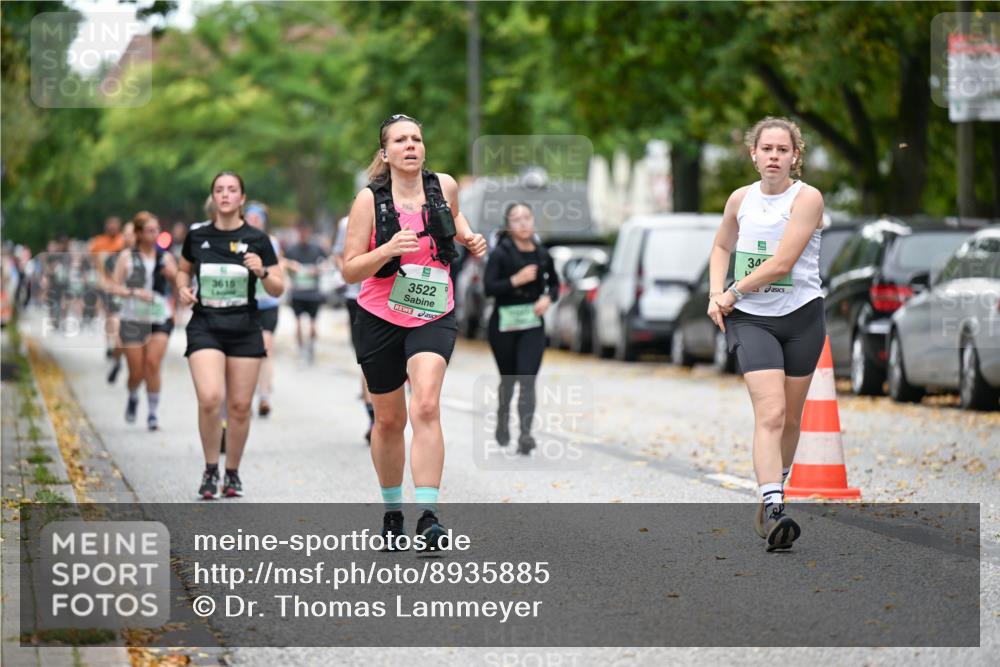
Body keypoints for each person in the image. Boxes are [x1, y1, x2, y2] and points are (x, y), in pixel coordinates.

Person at [341, 113, 486, 550]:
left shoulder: (444, 186)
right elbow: (350, 269)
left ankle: (428, 517)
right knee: (389, 420)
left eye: (416, 139)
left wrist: (468, 236)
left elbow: (454, 217)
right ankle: (392, 512)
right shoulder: (369, 201)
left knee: (425, 405)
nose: (410, 146)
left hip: (432, 311)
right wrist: (386, 249)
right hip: (380, 316)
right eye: (401, 140)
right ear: (385, 153)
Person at [706, 116, 826, 552]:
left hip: (801, 316)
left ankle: (772, 488)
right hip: (752, 319)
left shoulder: (807, 198)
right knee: (771, 413)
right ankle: (775, 507)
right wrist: (715, 292)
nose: (774, 156)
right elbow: (722, 246)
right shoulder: (740, 199)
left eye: (783, 149)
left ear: (795, 156)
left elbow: (782, 264)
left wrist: (731, 291)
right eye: (767, 148)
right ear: (753, 154)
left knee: (791, 418)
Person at [176, 172, 284, 500]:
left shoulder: (257, 239)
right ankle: (211, 469)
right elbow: (183, 270)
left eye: (232, 190)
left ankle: (232, 472)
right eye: (219, 190)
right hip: (205, 325)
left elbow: (278, 287)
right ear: (213, 197)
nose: (225, 195)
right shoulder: (197, 236)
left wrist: (262, 271)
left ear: (241, 198)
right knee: (211, 398)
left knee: (238, 406)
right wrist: (182, 288)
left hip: (244, 328)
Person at [483, 203, 559, 455]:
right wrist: (516, 280)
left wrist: (547, 299)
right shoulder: (500, 254)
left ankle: (526, 434)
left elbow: (555, 284)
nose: (523, 223)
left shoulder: (542, 254)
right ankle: (503, 416)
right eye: (517, 219)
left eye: (527, 217)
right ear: (508, 226)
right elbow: (488, 288)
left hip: (532, 325)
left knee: (527, 378)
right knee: (509, 379)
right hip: (504, 325)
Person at [110, 212, 177, 430]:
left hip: (159, 316)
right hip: (133, 318)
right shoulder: (127, 257)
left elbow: (179, 285)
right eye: (150, 230)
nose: (154, 234)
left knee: (153, 364)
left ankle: (153, 413)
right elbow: (114, 287)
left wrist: (173, 277)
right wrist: (134, 292)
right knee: (137, 372)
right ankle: (133, 395)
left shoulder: (165, 257)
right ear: (138, 233)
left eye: (157, 230)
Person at [334, 215, 375, 443]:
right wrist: (350, 273)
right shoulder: (346, 222)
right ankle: (373, 417)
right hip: (357, 297)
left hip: (391, 298)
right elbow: (339, 255)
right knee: (368, 358)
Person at [244, 202, 281, 417]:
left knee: (266, 348)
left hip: (268, 304)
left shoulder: (271, 242)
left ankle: (264, 396)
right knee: (248, 352)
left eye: (257, 219)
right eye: (250, 218)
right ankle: (245, 397)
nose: (253, 222)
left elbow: (278, 268)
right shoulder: (238, 242)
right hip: (247, 305)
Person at [283, 223, 328, 365]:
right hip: (297, 293)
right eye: (301, 233)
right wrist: (292, 266)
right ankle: (301, 349)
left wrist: (317, 269)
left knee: (313, 325)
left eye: (306, 233)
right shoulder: (291, 249)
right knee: (298, 324)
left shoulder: (317, 248)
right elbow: (282, 262)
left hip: (313, 293)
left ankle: (311, 347)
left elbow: (327, 263)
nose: (303, 235)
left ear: (309, 233)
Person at [105, 221, 136, 384]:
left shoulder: (147, 255)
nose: (129, 237)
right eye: (126, 234)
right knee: (118, 337)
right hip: (120, 299)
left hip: (139, 304)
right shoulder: (115, 256)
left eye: (132, 234)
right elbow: (109, 280)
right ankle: (117, 361)